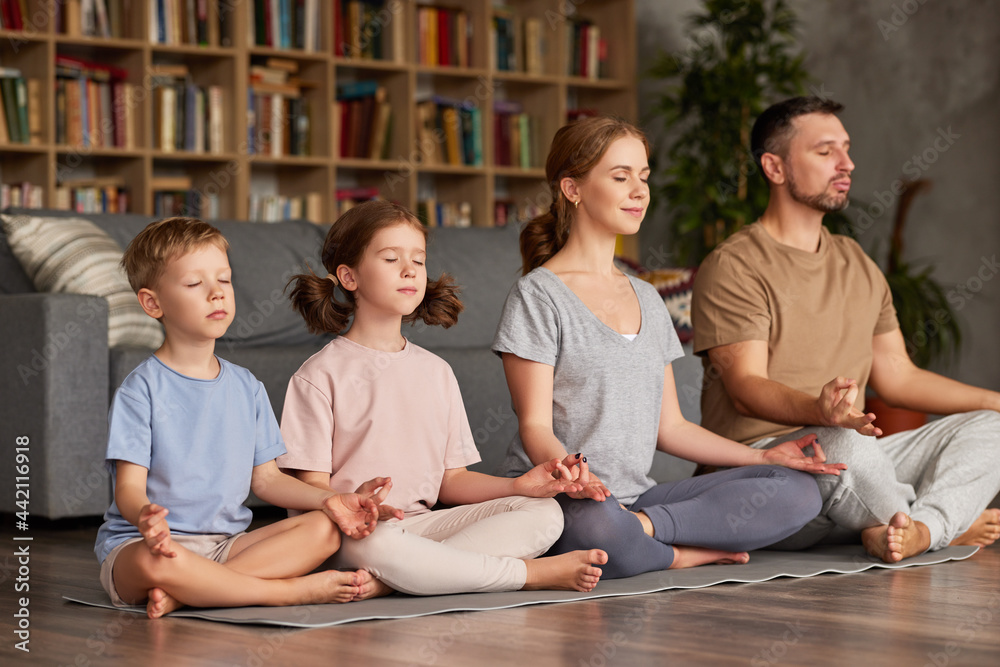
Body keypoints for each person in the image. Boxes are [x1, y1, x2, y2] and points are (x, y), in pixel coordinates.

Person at [492, 116, 846, 581]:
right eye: (621, 178)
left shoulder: (647, 298)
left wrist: (764, 457)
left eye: (644, 178)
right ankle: (682, 553)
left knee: (800, 490)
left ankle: (643, 533)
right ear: (572, 189)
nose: (640, 191)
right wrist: (578, 480)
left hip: (636, 502)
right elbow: (535, 425)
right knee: (599, 527)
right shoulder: (538, 297)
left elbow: (672, 427)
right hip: (564, 502)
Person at [692, 96, 1000, 564]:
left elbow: (897, 376)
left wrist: (994, 402)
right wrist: (819, 410)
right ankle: (938, 525)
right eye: (825, 151)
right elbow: (744, 388)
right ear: (774, 167)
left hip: (857, 463)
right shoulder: (734, 265)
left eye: (847, 148)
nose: (847, 162)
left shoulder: (857, 263)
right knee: (842, 443)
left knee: (994, 428)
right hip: (767, 473)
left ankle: (914, 529)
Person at [278, 199, 607, 597]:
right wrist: (353, 505)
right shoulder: (318, 376)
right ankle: (526, 574)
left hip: (422, 525)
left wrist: (520, 485)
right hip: (356, 532)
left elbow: (452, 481)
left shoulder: (437, 372)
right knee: (379, 543)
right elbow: (309, 495)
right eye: (390, 258)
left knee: (543, 512)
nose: (409, 270)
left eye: (418, 260)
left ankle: (400, 580)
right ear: (349, 277)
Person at [94, 217, 394, 619]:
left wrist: (331, 499)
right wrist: (145, 518)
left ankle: (190, 593)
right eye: (194, 284)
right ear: (153, 303)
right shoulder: (140, 390)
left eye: (224, 280)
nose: (216, 294)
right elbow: (128, 489)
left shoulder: (247, 386)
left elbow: (267, 480)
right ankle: (285, 593)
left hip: (225, 545)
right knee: (157, 565)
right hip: (146, 546)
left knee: (325, 528)